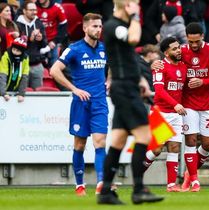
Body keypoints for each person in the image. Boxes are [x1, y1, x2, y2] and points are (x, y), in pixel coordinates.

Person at [97, 0, 163, 205]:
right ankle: (138, 189)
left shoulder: (119, 26)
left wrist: (140, 80)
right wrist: (135, 17)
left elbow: (126, 58)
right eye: (134, 3)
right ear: (126, 5)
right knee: (145, 136)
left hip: (126, 86)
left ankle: (106, 191)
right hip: (124, 89)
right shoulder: (114, 26)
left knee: (117, 141)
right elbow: (134, 39)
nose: (138, 7)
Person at [152, 22, 209, 191]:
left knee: (208, 144)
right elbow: (165, 60)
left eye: (197, 42)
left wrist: (203, 81)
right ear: (186, 37)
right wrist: (154, 64)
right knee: (190, 141)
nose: (193, 45)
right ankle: (194, 179)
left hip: (208, 104)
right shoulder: (181, 51)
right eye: (190, 41)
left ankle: (189, 173)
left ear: (202, 37)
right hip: (187, 104)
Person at [50, 13, 108, 197]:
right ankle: (80, 185)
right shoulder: (74, 49)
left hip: (99, 103)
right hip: (81, 104)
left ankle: (101, 184)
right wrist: (74, 89)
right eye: (94, 26)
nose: (98, 30)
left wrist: (110, 80)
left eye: (100, 26)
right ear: (85, 28)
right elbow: (54, 70)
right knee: (80, 145)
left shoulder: (104, 49)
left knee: (100, 143)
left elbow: (114, 64)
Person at [142, 37, 187, 192]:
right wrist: (176, 104)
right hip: (161, 113)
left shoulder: (183, 66)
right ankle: (137, 176)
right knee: (156, 150)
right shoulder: (160, 66)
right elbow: (159, 92)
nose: (178, 50)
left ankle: (171, 185)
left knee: (174, 147)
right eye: (174, 49)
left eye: (178, 47)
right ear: (166, 52)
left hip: (176, 114)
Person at [16, 1, 49, 90]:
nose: (34, 12)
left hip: (37, 65)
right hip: (22, 65)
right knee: (22, 94)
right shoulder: (17, 24)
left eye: (35, 10)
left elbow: (44, 45)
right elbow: (15, 46)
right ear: (24, 11)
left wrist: (41, 39)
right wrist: (29, 39)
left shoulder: (39, 23)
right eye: (31, 10)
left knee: (38, 96)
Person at [0, 37, 29, 103]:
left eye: (18, 51)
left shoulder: (25, 58)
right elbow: (3, 75)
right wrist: (3, 93)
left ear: (22, 51)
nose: (15, 52)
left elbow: (24, 76)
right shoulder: (6, 56)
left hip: (14, 88)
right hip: (2, 88)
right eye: (14, 49)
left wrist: (21, 94)